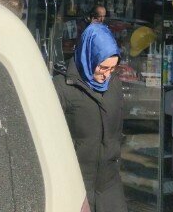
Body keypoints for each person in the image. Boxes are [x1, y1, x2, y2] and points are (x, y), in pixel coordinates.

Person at [54, 23, 127, 212]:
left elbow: (117, 130)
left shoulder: (114, 85)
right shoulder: (62, 87)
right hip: (75, 185)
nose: (106, 75)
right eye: (102, 67)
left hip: (109, 185)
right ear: (89, 56)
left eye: (112, 68)